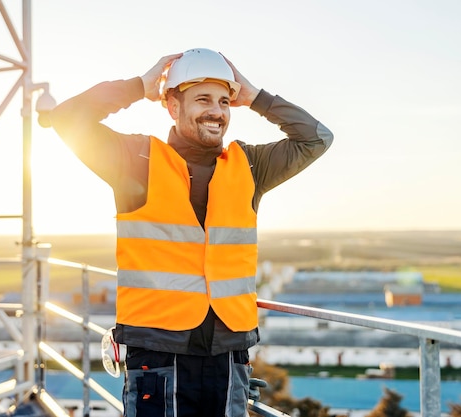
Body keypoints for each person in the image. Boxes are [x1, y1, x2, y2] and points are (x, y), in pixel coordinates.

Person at [49, 48, 333, 417]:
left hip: (229, 353)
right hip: (157, 353)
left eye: (224, 101)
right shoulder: (135, 160)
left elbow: (316, 138)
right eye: (202, 99)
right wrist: (139, 86)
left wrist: (255, 98)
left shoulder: (250, 165)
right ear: (172, 106)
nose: (217, 111)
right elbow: (67, 119)